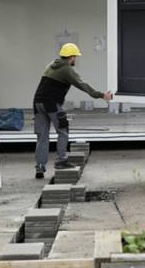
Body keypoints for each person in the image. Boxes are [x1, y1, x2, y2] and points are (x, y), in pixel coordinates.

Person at [33, 42, 113, 179]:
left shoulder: (51, 65)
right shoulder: (67, 70)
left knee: (42, 136)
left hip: (37, 102)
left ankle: (40, 167)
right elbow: (82, 85)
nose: (76, 59)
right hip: (51, 104)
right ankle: (61, 161)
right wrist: (101, 95)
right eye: (75, 56)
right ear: (71, 57)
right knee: (63, 130)